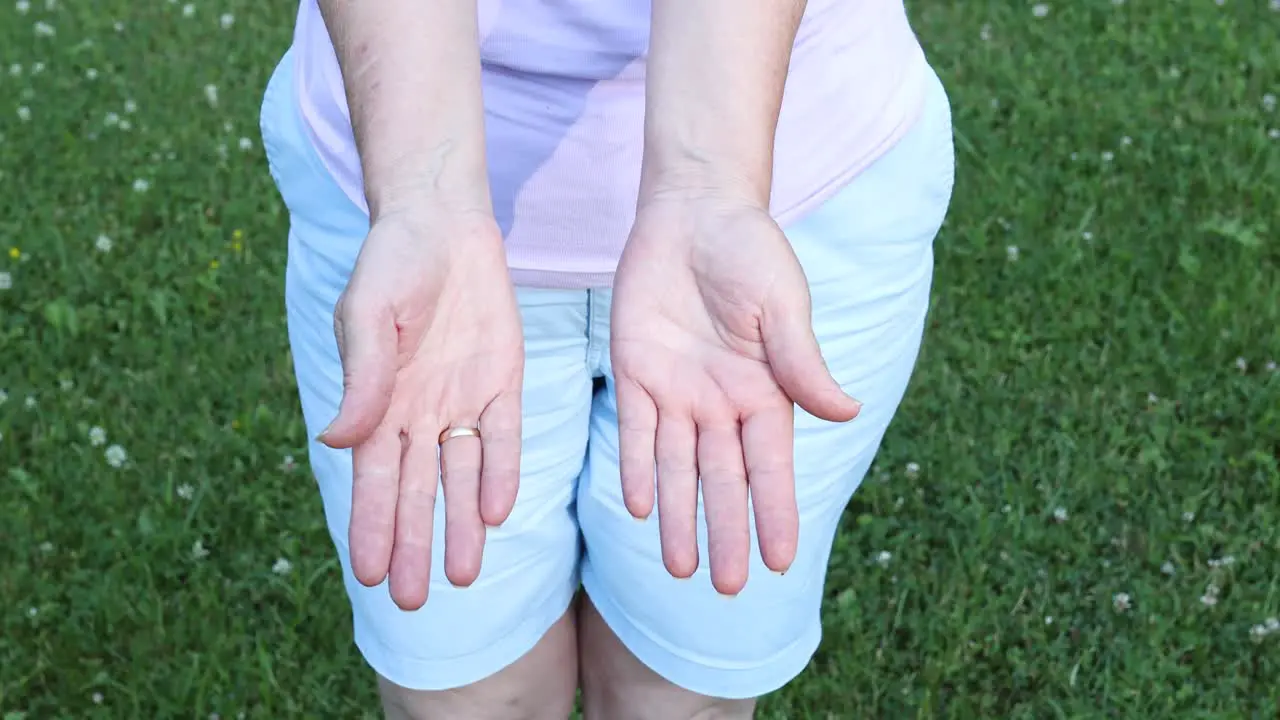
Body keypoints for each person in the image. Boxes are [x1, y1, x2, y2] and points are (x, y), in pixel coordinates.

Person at [259, 0, 954, 717]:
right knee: (461, 696)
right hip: (400, 195)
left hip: (795, 183)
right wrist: (424, 196)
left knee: (683, 693)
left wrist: (710, 185)